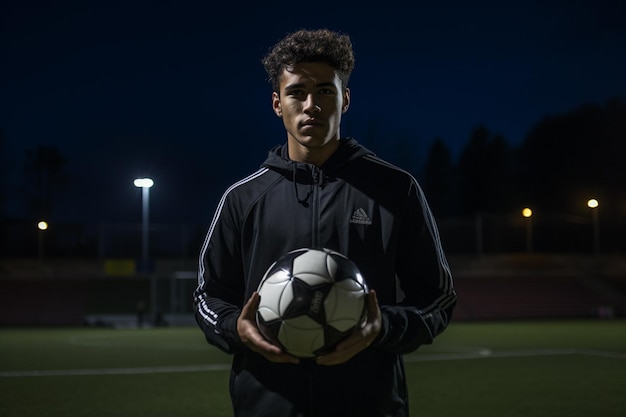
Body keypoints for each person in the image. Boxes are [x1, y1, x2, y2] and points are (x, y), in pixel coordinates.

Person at [193, 28, 457, 417]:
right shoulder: (243, 198)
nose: (311, 104)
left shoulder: (395, 189)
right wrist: (237, 329)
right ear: (277, 103)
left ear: (345, 99)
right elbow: (207, 296)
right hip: (267, 406)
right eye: (297, 92)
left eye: (325, 91)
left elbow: (438, 298)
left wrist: (380, 328)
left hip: (370, 405)